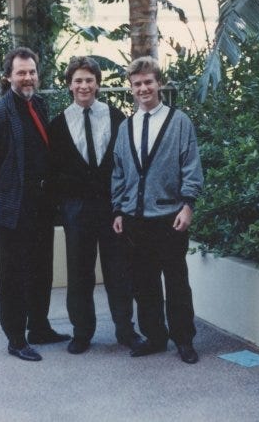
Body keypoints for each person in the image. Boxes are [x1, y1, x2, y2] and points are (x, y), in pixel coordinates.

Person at [0, 47, 70, 362]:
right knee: (13, 276)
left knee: (41, 270)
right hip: (13, 210)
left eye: (32, 72)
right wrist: (1, 183)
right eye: (21, 72)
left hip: (40, 206)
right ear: (8, 77)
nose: (28, 77)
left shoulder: (38, 103)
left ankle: (39, 327)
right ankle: (16, 338)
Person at [111, 56, 204, 364]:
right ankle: (155, 336)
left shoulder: (179, 122)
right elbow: (120, 173)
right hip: (136, 219)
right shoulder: (126, 127)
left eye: (148, 82)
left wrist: (188, 205)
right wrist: (118, 210)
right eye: (137, 84)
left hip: (170, 217)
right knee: (144, 282)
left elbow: (191, 166)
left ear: (159, 83)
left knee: (176, 281)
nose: (143, 88)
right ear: (131, 88)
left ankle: (184, 340)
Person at [49, 56, 142, 354]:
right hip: (76, 210)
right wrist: (64, 204)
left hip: (111, 208)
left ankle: (126, 331)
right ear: (69, 86)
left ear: (98, 84)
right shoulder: (58, 124)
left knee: (119, 270)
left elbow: (126, 163)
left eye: (89, 80)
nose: (84, 85)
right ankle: (82, 332)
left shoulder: (116, 117)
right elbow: (53, 171)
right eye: (78, 80)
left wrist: (122, 205)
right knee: (79, 272)